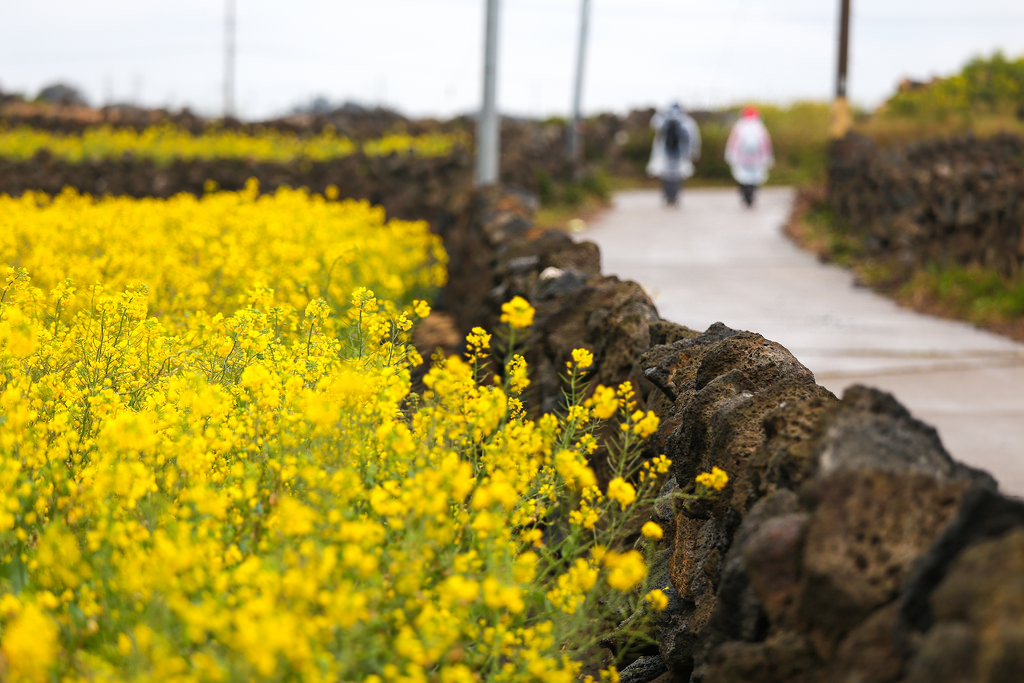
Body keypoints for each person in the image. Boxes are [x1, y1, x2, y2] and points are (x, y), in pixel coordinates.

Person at [646, 102, 701, 207]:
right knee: (677, 176)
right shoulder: (687, 122)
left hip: (665, 154)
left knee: (666, 176)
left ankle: (668, 196)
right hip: (679, 154)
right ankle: (674, 196)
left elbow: (654, 123)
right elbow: (694, 138)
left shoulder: (664, 120)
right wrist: (694, 152)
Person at [724, 106, 774, 207]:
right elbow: (766, 144)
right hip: (757, 159)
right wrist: (767, 157)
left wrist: (730, 155)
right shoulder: (760, 128)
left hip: (742, 158)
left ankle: (745, 192)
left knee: (742, 177)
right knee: (755, 178)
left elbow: (733, 143)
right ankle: (751, 193)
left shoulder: (739, 127)